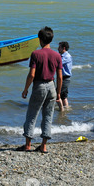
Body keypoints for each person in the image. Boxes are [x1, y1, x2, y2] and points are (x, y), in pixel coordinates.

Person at [18, 26, 62, 154]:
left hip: (39, 86)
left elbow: (32, 74)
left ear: (40, 40)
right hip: (51, 86)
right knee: (48, 116)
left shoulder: (36, 54)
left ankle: (28, 145)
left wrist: (25, 89)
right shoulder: (57, 55)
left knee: (32, 115)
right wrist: (58, 92)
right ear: (51, 39)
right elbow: (59, 77)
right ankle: (43, 146)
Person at [57, 41, 72, 111]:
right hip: (64, 78)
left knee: (57, 94)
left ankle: (61, 110)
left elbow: (58, 63)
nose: (58, 48)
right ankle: (66, 108)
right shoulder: (62, 56)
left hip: (65, 78)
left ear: (64, 48)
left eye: (59, 47)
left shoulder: (67, 56)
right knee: (63, 96)